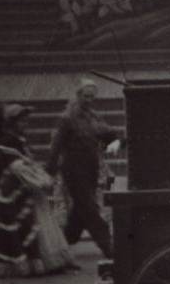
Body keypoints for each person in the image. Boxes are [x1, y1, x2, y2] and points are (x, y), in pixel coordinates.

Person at [0, 104, 76, 276]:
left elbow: (28, 165)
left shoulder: (19, 140)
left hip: (27, 186)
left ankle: (50, 259)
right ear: (12, 122)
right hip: (14, 188)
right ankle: (25, 264)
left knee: (37, 222)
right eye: (21, 121)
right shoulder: (7, 142)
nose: (25, 124)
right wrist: (42, 180)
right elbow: (18, 168)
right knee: (22, 223)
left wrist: (40, 177)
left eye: (26, 121)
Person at [46, 78, 121, 259]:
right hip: (73, 168)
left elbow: (108, 135)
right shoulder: (67, 118)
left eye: (92, 97)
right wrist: (49, 170)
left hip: (90, 167)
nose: (89, 100)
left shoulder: (93, 116)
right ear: (78, 95)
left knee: (80, 210)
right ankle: (107, 247)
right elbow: (56, 146)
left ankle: (65, 240)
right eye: (86, 96)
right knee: (88, 207)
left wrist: (111, 137)